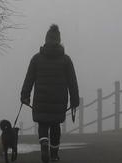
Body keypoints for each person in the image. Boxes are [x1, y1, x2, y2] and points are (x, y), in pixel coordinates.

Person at [21, 24, 79, 163]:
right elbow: (72, 82)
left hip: (41, 99)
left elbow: (29, 79)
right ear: (59, 40)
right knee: (55, 125)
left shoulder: (36, 59)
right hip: (59, 100)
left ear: (46, 40)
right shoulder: (66, 60)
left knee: (43, 123)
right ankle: (53, 155)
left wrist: (25, 95)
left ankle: (44, 143)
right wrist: (74, 100)